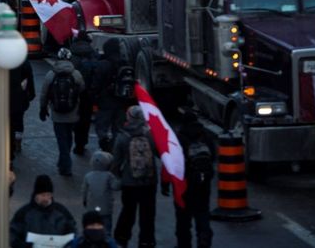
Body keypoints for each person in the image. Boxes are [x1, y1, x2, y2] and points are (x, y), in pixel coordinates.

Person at [112, 105, 159, 248]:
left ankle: (121, 237)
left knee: (128, 211)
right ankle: (147, 241)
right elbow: (159, 153)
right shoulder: (151, 134)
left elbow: (116, 161)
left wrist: (118, 176)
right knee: (148, 214)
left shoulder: (123, 136)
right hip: (149, 181)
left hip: (130, 182)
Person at [167, 111, 215, 248]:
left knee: (183, 219)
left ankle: (184, 244)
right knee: (202, 213)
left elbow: (172, 161)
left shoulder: (179, 138)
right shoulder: (205, 136)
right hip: (203, 183)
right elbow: (213, 156)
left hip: (185, 185)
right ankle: (204, 239)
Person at [39, 48, 86, 176]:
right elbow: (82, 89)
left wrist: (43, 109)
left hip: (57, 113)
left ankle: (66, 165)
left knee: (61, 139)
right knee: (69, 137)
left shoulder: (51, 74)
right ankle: (63, 162)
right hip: (73, 112)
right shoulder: (76, 74)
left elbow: (44, 94)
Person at [9, 175, 77, 248]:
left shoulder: (61, 211)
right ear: (36, 195)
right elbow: (12, 234)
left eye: (48, 195)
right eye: (43, 195)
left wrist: (68, 245)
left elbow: (72, 230)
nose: (46, 198)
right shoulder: (24, 213)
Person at [81, 151, 120, 234]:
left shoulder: (88, 176)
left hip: (91, 207)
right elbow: (116, 186)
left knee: (91, 225)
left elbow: (84, 191)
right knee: (106, 228)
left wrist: (85, 201)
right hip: (106, 208)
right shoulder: (109, 176)